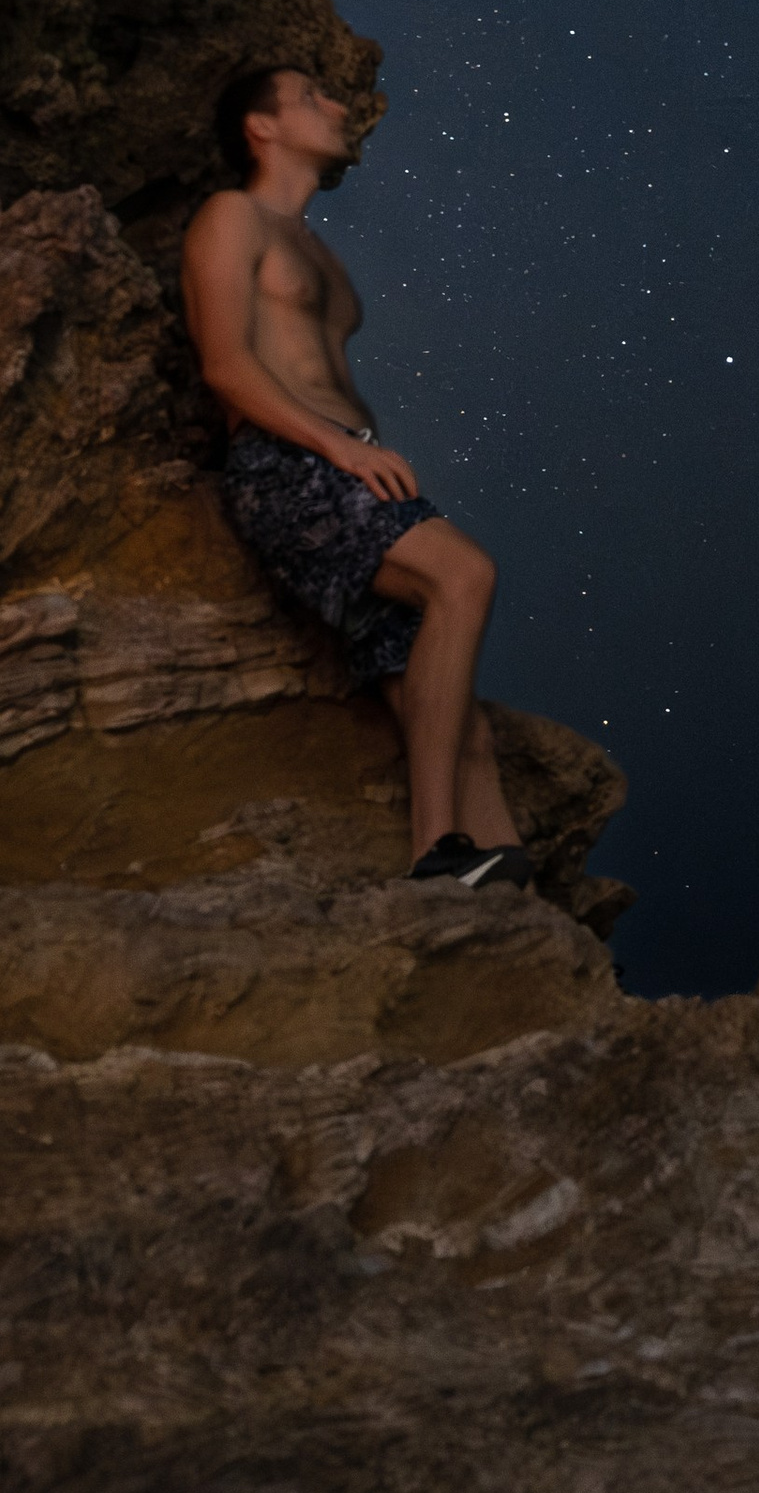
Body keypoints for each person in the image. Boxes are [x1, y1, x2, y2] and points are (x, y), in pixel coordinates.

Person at [180, 63, 533, 890]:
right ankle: (435, 851)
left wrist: (358, 453)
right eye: (310, 96)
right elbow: (226, 365)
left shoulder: (317, 250)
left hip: (352, 475)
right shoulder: (232, 216)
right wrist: (341, 450)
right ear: (261, 128)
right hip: (290, 466)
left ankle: (520, 917)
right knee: (462, 575)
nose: (336, 105)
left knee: (464, 729)